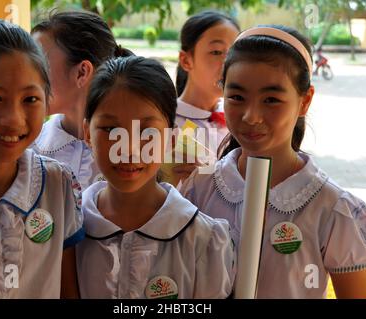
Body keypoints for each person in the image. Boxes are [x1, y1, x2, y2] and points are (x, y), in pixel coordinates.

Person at [180, 25, 366, 298]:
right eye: (237, 97)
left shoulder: (332, 209)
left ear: (305, 101)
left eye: (271, 99)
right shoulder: (198, 191)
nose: (251, 116)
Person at [76, 56, 235, 298]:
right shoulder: (71, 228)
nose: (129, 148)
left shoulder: (202, 240)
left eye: (147, 131)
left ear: (171, 139)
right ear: (87, 132)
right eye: (111, 130)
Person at [0, 19, 84, 298]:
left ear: (47, 99)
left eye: (30, 100)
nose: (13, 119)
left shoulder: (57, 184)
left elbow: (67, 289)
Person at [31, 10, 133, 190]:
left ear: (82, 72)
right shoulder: (29, 146)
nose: (28, 75)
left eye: (38, 64)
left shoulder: (134, 151)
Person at [166, 10, 240, 185]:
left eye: (234, 53)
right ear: (186, 60)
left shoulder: (238, 121)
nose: (227, 63)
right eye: (216, 52)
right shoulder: (167, 123)